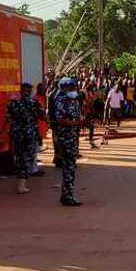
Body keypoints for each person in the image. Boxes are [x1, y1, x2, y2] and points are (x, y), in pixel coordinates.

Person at [6, 83, 45, 195]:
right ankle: (22, 184)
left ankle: (20, 182)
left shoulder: (14, 103)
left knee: (19, 157)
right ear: (30, 91)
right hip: (30, 134)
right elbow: (42, 116)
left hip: (17, 133)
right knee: (28, 158)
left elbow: (8, 118)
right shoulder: (34, 103)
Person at [54, 77, 83, 207]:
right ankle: (67, 196)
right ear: (64, 88)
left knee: (71, 168)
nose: (74, 89)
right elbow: (62, 120)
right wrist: (78, 123)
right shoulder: (61, 101)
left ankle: (67, 194)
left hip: (72, 137)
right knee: (69, 168)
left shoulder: (73, 101)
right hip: (65, 138)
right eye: (71, 87)